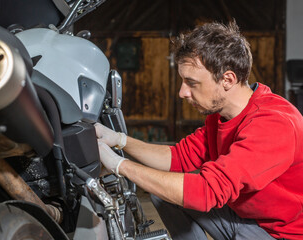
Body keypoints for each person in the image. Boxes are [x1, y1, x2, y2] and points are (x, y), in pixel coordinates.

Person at [95, 21, 303, 240]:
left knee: (185, 191)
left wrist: (120, 165)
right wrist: (119, 140)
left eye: (191, 82)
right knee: (164, 193)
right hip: (243, 215)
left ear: (227, 79)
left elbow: (205, 192)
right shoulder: (220, 115)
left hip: (279, 234)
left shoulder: (273, 125)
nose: (182, 92)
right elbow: (177, 157)